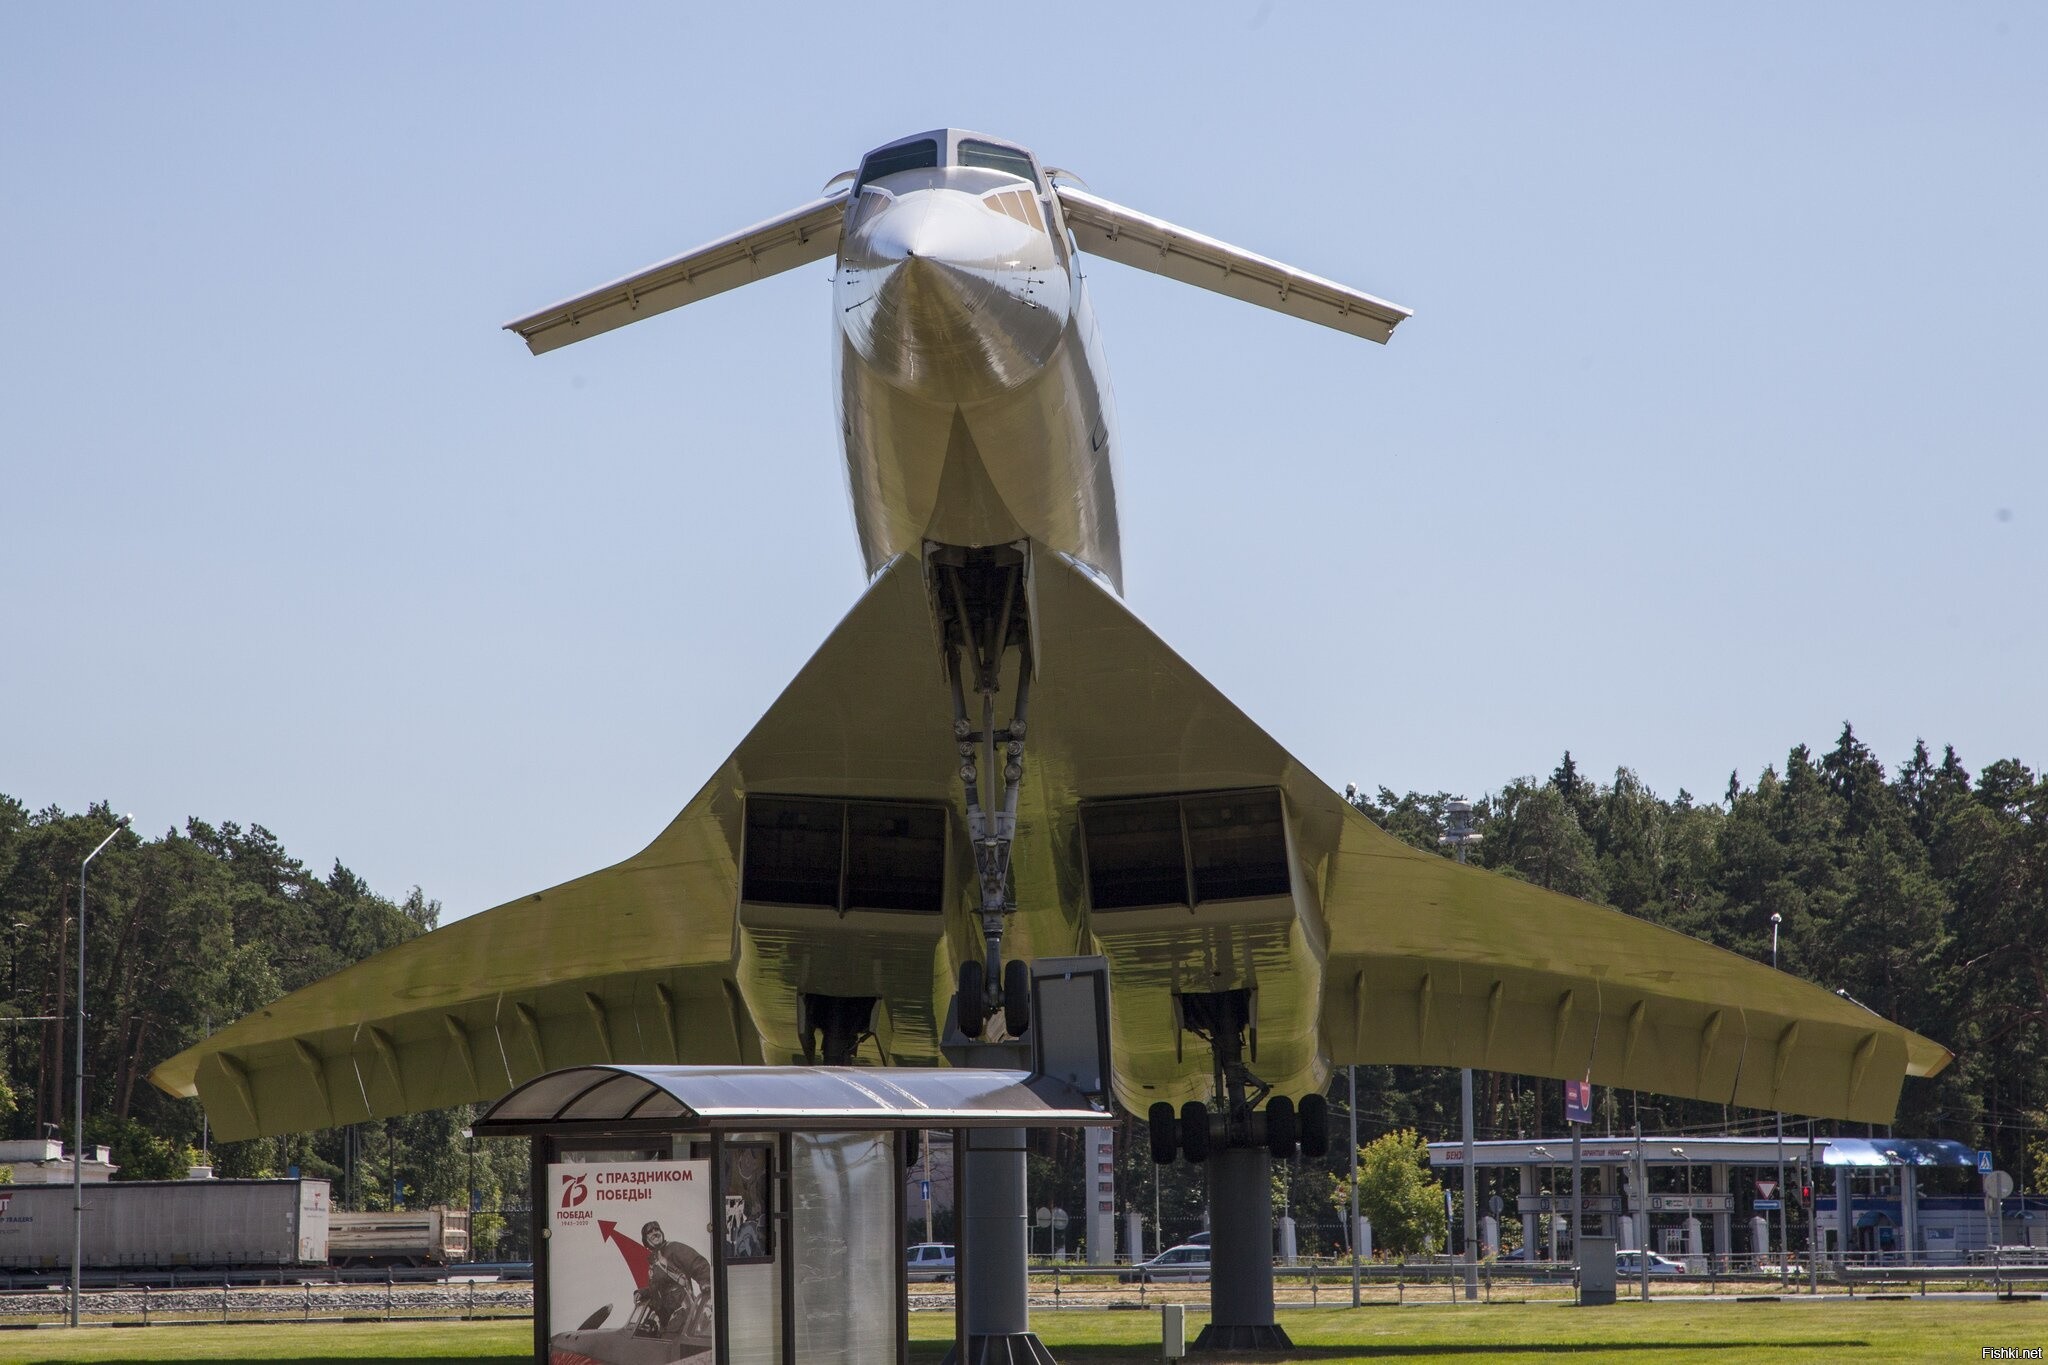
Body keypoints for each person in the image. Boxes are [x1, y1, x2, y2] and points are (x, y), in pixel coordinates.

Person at [641, 1220, 711, 1334]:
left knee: (666, 1345)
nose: (654, 1233)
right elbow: (659, 1289)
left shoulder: (674, 1248)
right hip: (667, 1319)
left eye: (657, 1229)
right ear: (645, 1240)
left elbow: (697, 1263)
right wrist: (643, 1293)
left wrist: (705, 1280)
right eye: (650, 1232)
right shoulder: (654, 1263)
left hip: (682, 1313)